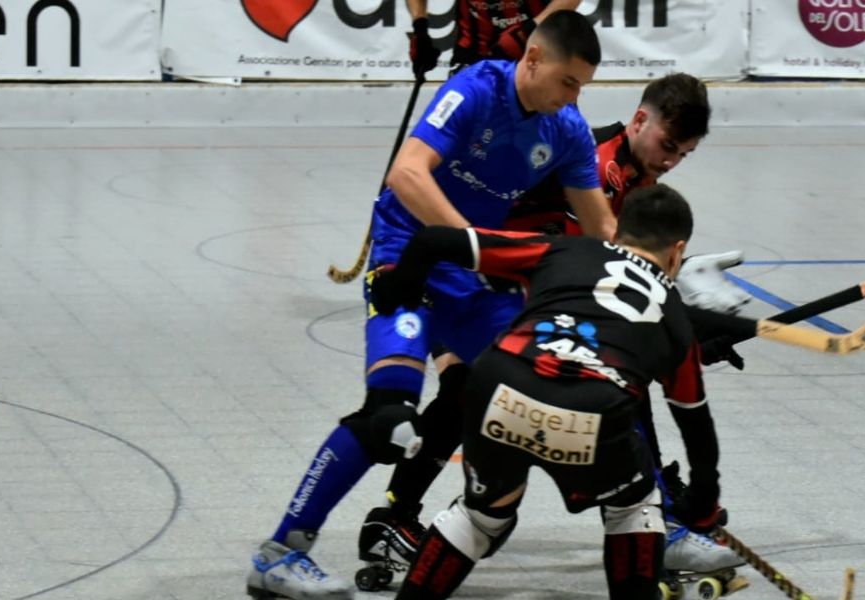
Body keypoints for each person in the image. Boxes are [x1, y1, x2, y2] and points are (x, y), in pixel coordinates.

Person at [246, 11, 613, 600]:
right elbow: (407, 174)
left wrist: (660, 282)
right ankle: (280, 555)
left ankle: (654, 524)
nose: (574, 99)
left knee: (560, 385)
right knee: (388, 421)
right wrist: (477, 247)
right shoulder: (475, 89)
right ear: (533, 59)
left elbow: (602, 232)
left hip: (473, 277)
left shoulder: (565, 129)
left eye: (582, 88)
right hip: (408, 258)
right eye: (568, 82)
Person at [361, 73, 749, 583]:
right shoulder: (598, 164)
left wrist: (690, 333)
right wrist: (680, 331)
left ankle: (394, 518)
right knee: (609, 379)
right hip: (472, 272)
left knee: (466, 391)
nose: (672, 161)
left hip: (496, 279)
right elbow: (599, 277)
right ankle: (656, 519)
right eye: (668, 145)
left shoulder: (639, 182)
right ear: (639, 120)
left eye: (684, 154)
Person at [407, 1, 582, 78]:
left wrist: (529, 31)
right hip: (474, 52)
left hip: (537, 50)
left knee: (554, 132)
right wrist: (420, 29)